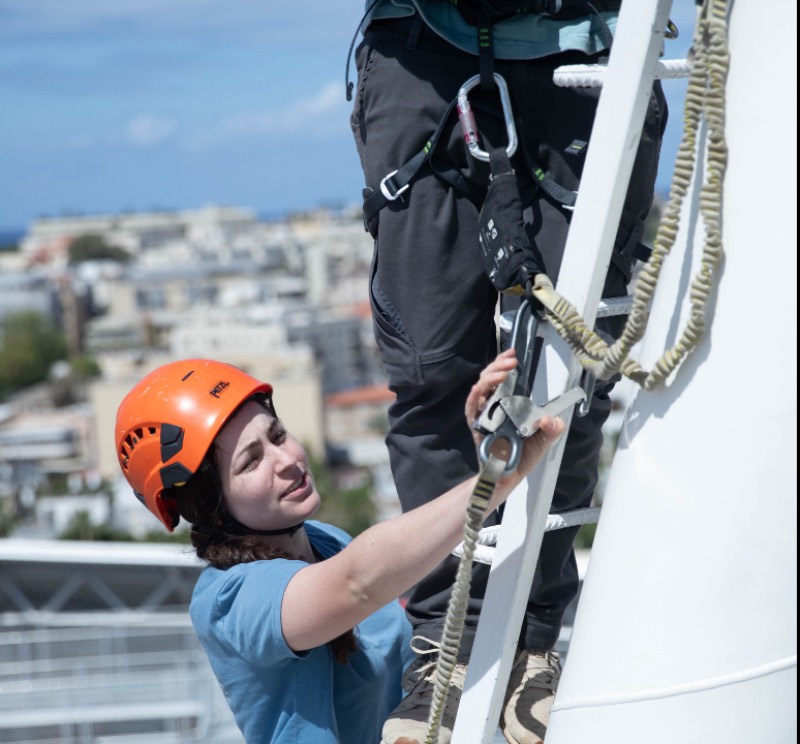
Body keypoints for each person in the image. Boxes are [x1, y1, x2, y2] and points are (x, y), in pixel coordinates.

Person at [348, 1, 669, 742]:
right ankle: (443, 649)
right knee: (433, 369)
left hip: (577, 46)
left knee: (572, 373)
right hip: (421, 44)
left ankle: (532, 641)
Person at [114, 352, 564, 744]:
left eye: (277, 436)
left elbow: (407, 565)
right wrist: (493, 480)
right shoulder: (230, 602)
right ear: (209, 505)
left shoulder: (326, 541)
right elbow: (357, 584)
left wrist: (480, 455)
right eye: (251, 462)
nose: (288, 460)